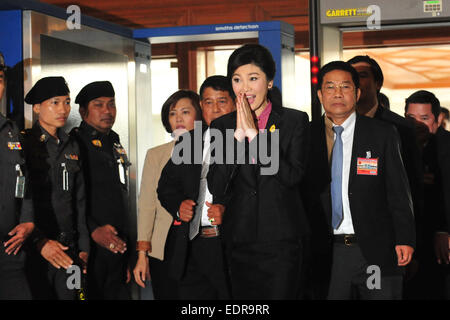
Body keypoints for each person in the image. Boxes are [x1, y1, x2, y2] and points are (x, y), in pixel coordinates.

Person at [207, 44, 310, 299]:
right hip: (238, 239)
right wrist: (238, 139)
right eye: (237, 79)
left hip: (281, 241)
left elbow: (292, 176)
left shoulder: (294, 121)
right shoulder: (222, 126)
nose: (245, 88)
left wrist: (255, 136)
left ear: (270, 81)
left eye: (253, 78)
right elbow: (217, 186)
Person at [307, 61, 415, 300]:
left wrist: (405, 238)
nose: (337, 93)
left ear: (357, 93)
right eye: (330, 87)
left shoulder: (382, 133)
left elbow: (398, 190)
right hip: (326, 251)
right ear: (320, 94)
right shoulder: (305, 135)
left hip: (374, 250)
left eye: (345, 87)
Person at [157, 77, 235, 299]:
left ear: (234, 103)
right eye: (208, 102)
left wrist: (228, 211)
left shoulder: (246, 140)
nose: (215, 108)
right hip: (191, 245)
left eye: (222, 101)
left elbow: (257, 194)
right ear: (201, 106)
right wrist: (178, 205)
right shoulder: (189, 141)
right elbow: (166, 187)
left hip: (227, 244)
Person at [23, 76, 89, 300]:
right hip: (37, 249)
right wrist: (38, 241)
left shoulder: (73, 144)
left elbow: (79, 201)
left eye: (67, 101)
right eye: (55, 102)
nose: (63, 109)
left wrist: (83, 247)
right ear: (37, 107)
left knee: (75, 297)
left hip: (69, 250)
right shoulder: (24, 145)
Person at [133, 89, 202, 300]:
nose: (178, 118)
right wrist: (142, 253)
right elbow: (146, 204)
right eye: (172, 113)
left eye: (185, 112)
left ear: (199, 115)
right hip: (164, 246)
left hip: (201, 246)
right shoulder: (156, 154)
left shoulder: (211, 148)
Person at [71, 81, 131, 300]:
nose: (107, 111)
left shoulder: (113, 140)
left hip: (118, 245)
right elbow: (71, 199)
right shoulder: (75, 143)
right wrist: (93, 229)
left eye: (111, 104)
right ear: (83, 111)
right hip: (91, 245)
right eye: (99, 105)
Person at [404, 90, 450, 299]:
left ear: (438, 119)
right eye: (411, 118)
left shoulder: (446, 146)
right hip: (409, 240)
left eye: (424, 118)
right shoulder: (397, 144)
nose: (417, 124)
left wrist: (443, 230)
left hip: (441, 241)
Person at [0, 52, 35, 300]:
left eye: (0, 79)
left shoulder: (11, 131)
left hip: (10, 249)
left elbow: (24, 181)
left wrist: (28, 220)